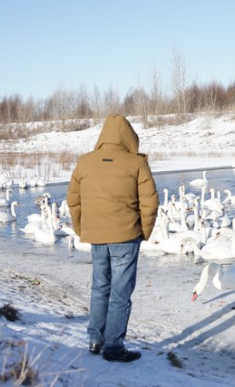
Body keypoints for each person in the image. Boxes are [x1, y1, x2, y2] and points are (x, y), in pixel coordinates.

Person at [67, 114, 159, 363]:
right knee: (120, 292)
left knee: (99, 288)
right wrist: (145, 231)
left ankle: (95, 340)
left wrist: (81, 229)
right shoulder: (136, 163)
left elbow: (73, 201)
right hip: (126, 237)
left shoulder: (85, 162)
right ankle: (114, 347)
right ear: (129, 137)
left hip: (97, 237)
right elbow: (150, 202)